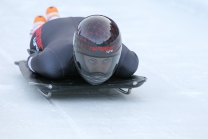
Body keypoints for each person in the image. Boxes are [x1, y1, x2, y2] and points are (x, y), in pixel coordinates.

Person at [28, 6, 139, 85]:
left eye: (106, 61)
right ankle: (41, 24)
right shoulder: (52, 63)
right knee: (37, 34)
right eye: (92, 61)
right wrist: (38, 60)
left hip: (83, 25)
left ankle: (53, 15)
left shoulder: (128, 62)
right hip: (49, 29)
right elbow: (31, 59)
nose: (98, 71)